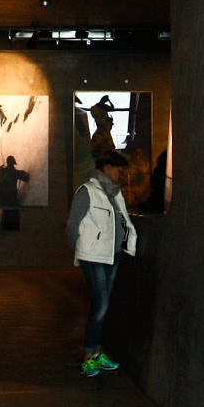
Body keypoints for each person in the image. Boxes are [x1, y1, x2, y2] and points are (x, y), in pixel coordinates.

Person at [66, 152, 136, 377]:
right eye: (119, 169)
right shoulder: (87, 191)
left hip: (111, 255)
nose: (122, 174)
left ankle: (96, 352)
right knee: (102, 305)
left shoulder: (115, 193)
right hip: (93, 256)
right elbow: (72, 225)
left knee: (101, 304)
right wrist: (82, 248)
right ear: (107, 168)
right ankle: (89, 355)